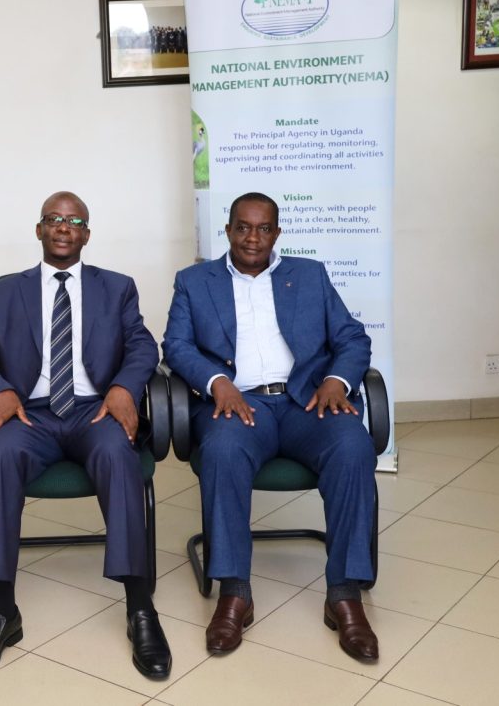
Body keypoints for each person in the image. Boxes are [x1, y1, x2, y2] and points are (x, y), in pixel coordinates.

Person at [0, 191, 171, 680]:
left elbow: (142, 345)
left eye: (74, 221)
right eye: (54, 219)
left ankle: (140, 609)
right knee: (1, 454)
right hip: (29, 415)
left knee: (119, 454)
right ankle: (0, 610)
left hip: (94, 412)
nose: (64, 227)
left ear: (86, 234)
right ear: (39, 229)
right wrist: (0, 392)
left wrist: (122, 388)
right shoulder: (5, 291)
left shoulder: (117, 288)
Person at [162, 192, 379, 662]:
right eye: (243, 227)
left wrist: (338, 381)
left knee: (353, 447)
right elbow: (176, 346)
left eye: (263, 228)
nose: (252, 237)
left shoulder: (310, 275)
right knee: (221, 451)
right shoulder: (195, 281)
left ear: (277, 233)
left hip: (307, 402)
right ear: (229, 230)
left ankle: (344, 593)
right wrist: (217, 382)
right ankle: (235, 592)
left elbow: (352, 338)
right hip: (239, 405)